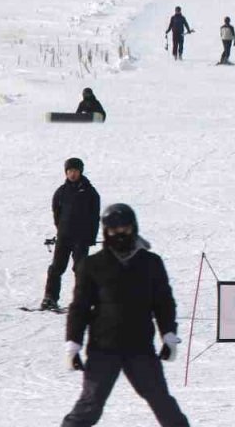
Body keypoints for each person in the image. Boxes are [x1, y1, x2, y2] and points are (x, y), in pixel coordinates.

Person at [61, 203, 189, 427]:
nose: (120, 234)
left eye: (125, 229)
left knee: (162, 402)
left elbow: (163, 303)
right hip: (103, 348)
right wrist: (73, 343)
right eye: (113, 230)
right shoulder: (92, 265)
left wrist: (169, 334)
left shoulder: (150, 263)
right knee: (90, 405)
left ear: (134, 228)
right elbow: (79, 307)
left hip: (140, 348)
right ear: (105, 232)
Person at [40, 158, 101, 311]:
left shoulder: (90, 192)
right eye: (70, 171)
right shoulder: (61, 192)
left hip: (82, 238)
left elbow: (94, 217)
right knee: (56, 268)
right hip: (64, 237)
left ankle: (82, 300)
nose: (72, 174)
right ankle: (50, 298)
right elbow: (57, 213)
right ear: (66, 172)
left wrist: (91, 237)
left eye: (75, 171)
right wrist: (61, 229)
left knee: (81, 269)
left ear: (80, 172)